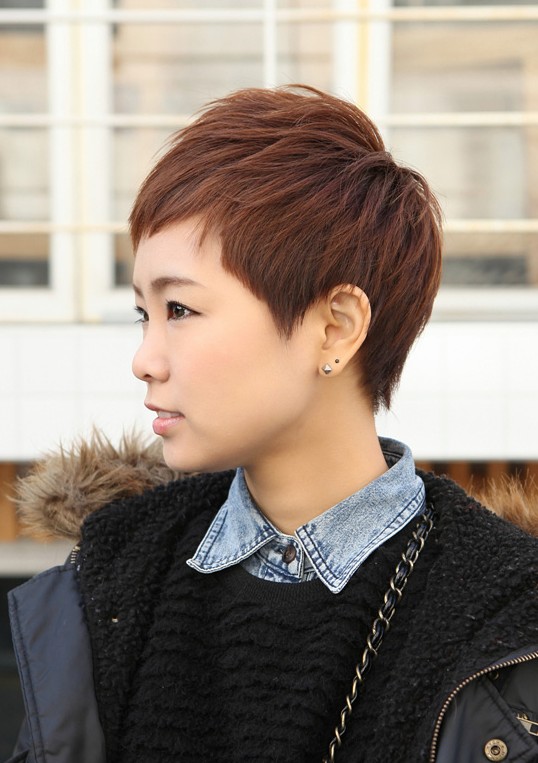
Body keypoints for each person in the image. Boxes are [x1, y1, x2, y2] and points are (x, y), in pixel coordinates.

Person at [6, 85, 538, 763]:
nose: (144, 360)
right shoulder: (113, 577)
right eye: (144, 313)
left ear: (336, 328)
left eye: (181, 310)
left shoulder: (504, 610)